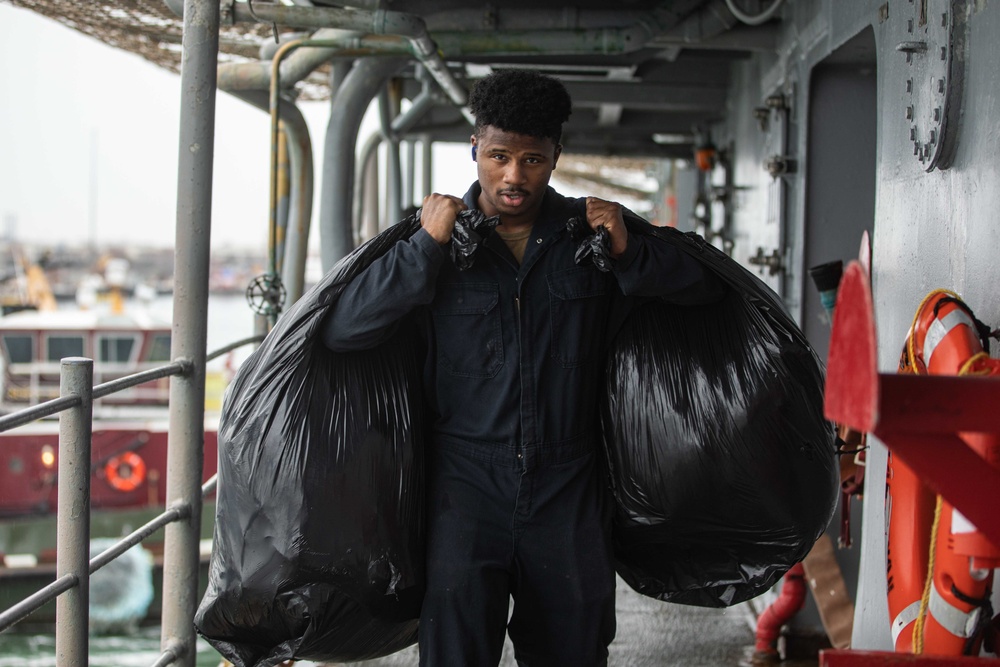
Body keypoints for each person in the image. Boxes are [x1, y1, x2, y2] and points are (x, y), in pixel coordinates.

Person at [322, 69, 721, 667]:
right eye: (500, 155)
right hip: (463, 488)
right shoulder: (437, 242)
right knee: (455, 654)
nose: (514, 176)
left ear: (556, 155)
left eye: (533, 159)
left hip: (569, 486)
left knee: (573, 652)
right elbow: (345, 327)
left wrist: (632, 251)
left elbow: (706, 292)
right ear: (475, 149)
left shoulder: (587, 238)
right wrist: (421, 252)